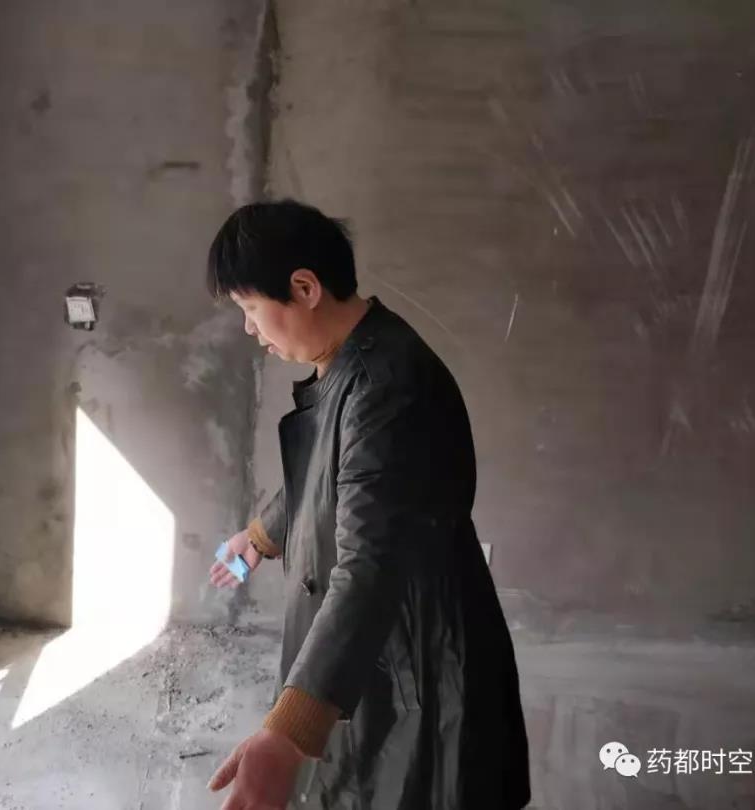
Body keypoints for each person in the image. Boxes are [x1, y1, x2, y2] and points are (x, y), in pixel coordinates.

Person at [204, 200, 531, 810]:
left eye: (250, 308)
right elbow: (338, 473)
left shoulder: (386, 388)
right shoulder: (352, 359)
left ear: (305, 288)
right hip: (381, 649)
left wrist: (286, 735)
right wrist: (262, 535)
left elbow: (369, 567)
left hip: (417, 663)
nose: (249, 329)